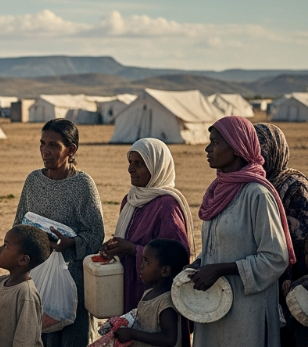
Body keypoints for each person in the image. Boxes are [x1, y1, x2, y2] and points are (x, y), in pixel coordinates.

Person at [189, 116, 294, 347]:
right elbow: (218, 246)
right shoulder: (218, 191)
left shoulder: (257, 194)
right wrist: (199, 265)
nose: (207, 148)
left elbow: (276, 257)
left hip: (247, 312)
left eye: (215, 142)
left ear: (237, 148)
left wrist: (221, 269)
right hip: (215, 305)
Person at [13, 118, 104, 347]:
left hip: (72, 279)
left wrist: (71, 243)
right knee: (40, 337)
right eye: (42, 144)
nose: (45, 151)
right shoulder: (33, 181)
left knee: (74, 338)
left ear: (71, 149)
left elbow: (96, 233)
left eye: (53, 145)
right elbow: (19, 225)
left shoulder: (83, 184)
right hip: (38, 275)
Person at [100, 138, 194, 313]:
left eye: (139, 163)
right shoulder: (130, 200)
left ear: (156, 167)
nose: (130, 169)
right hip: (128, 285)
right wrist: (114, 248)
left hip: (155, 297)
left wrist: (133, 250)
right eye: (130, 162)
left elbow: (176, 258)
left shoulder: (167, 206)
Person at [254, 123, 308, 347]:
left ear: (274, 151)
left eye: (261, 151)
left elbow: (298, 245)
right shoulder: (255, 187)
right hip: (263, 280)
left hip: (293, 287)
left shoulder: (295, 189)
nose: (255, 157)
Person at [114, 239, 189, 347]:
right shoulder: (149, 293)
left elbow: (169, 339)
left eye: (146, 261)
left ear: (165, 271)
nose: (141, 266)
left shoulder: (166, 302)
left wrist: (133, 334)